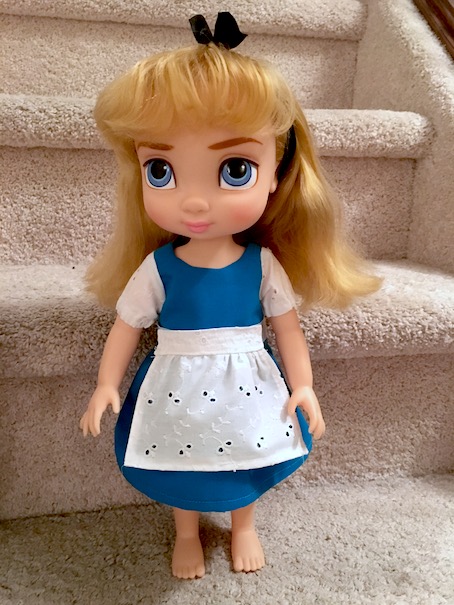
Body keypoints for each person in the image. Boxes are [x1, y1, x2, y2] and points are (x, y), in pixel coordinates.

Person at [80, 13, 380, 579]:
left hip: (248, 378)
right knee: (181, 461)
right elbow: (126, 325)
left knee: (247, 452)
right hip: (177, 382)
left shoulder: (262, 265)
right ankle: (186, 532)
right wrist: (106, 385)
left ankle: (244, 524)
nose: (195, 202)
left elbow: (287, 328)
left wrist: (304, 385)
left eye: (234, 169)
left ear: (275, 173)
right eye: (161, 170)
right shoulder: (159, 268)